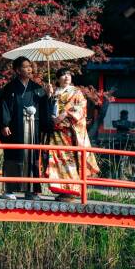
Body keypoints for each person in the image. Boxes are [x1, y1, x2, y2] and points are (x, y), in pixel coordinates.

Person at [0, 56, 51, 200]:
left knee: (32, 157)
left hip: (33, 127)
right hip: (15, 127)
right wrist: (4, 124)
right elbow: (4, 106)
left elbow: (44, 107)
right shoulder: (10, 88)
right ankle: (9, 189)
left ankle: (31, 191)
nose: (29, 69)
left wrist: (48, 95)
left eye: (30, 66)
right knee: (14, 156)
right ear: (17, 70)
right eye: (25, 67)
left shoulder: (37, 88)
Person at [44, 68, 100, 202]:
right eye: (63, 75)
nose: (66, 77)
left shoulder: (76, 92)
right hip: (55, 132)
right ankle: (62, 190)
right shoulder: (53, 92)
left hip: (69, 132)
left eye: (68, 74)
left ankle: (71, 190)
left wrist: (66, 114)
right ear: (57, 79)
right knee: (56, 161)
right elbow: (47, 108)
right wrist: (48, 96)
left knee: (69, 160)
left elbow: (81, 108)